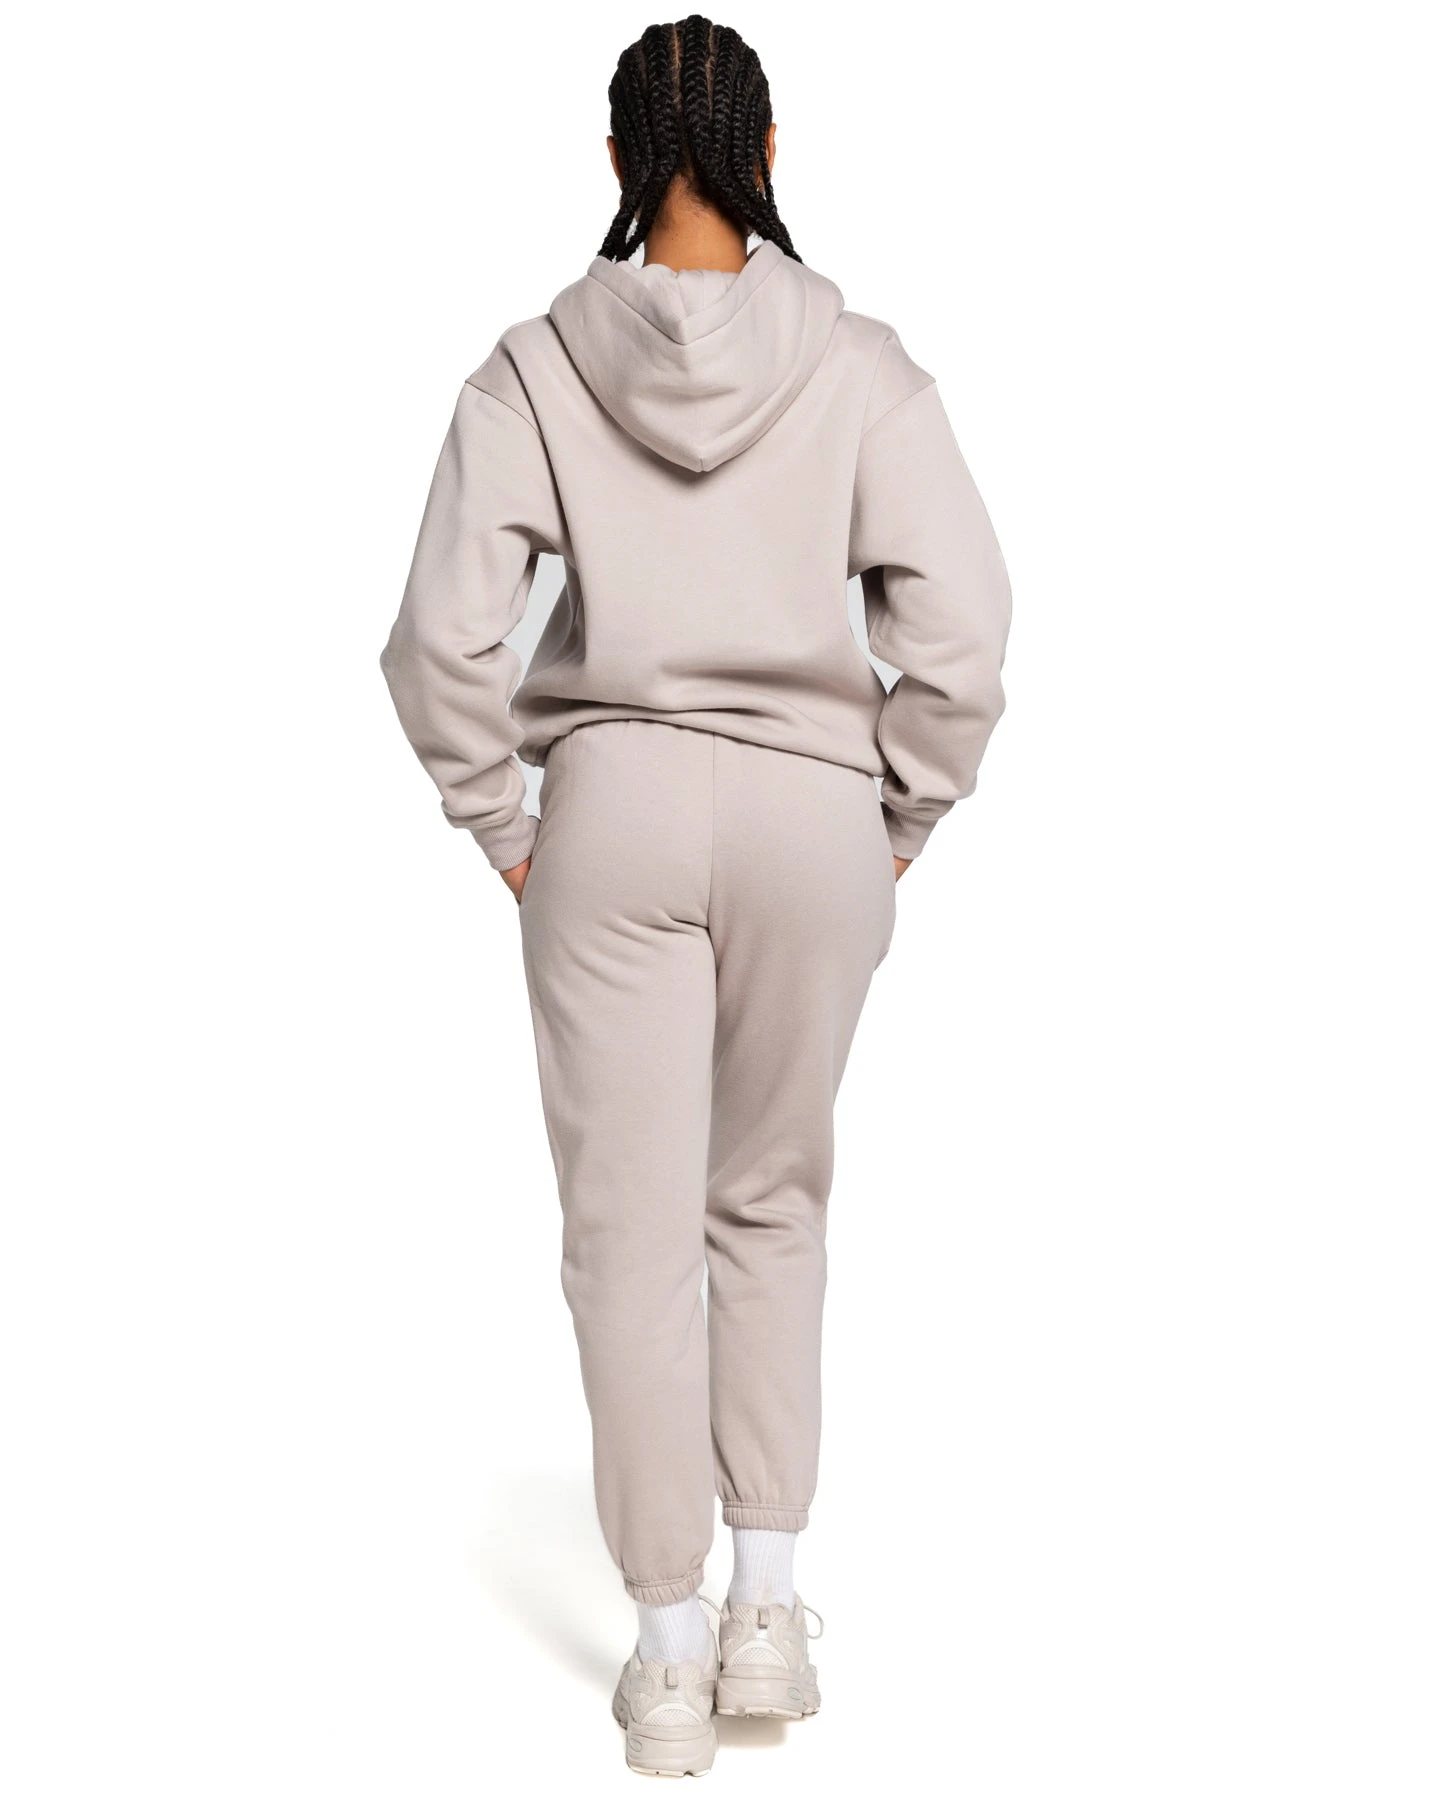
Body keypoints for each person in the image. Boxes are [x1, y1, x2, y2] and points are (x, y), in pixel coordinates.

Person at [381, 14, 1011, 1779]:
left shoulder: (531, 372)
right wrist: (902, 817)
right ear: (770, 148)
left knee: (626, 1230)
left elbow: (438, 641)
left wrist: (505, 825)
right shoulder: (866, 368)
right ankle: (769, 1613)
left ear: (612, 160)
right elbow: (962, 633)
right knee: (773, 1202)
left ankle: (666, 1654)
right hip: (817, 816)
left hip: (614, 813)